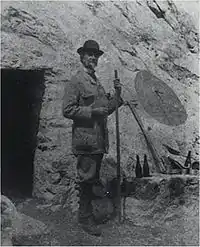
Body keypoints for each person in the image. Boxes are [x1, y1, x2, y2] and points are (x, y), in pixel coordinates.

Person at [62, 40, 123, 236]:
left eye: (96, 55)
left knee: (92, 178)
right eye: (89, 55)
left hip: (98, 140)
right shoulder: (76, 81)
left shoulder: (96, 82)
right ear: (82, 57)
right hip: (85, 140)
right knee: (86, 179)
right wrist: (93, 111)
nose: (93, 58)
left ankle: (89, 215)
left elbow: (106, 110)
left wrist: (117, 95)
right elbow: (67, 109)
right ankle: (85, 219)